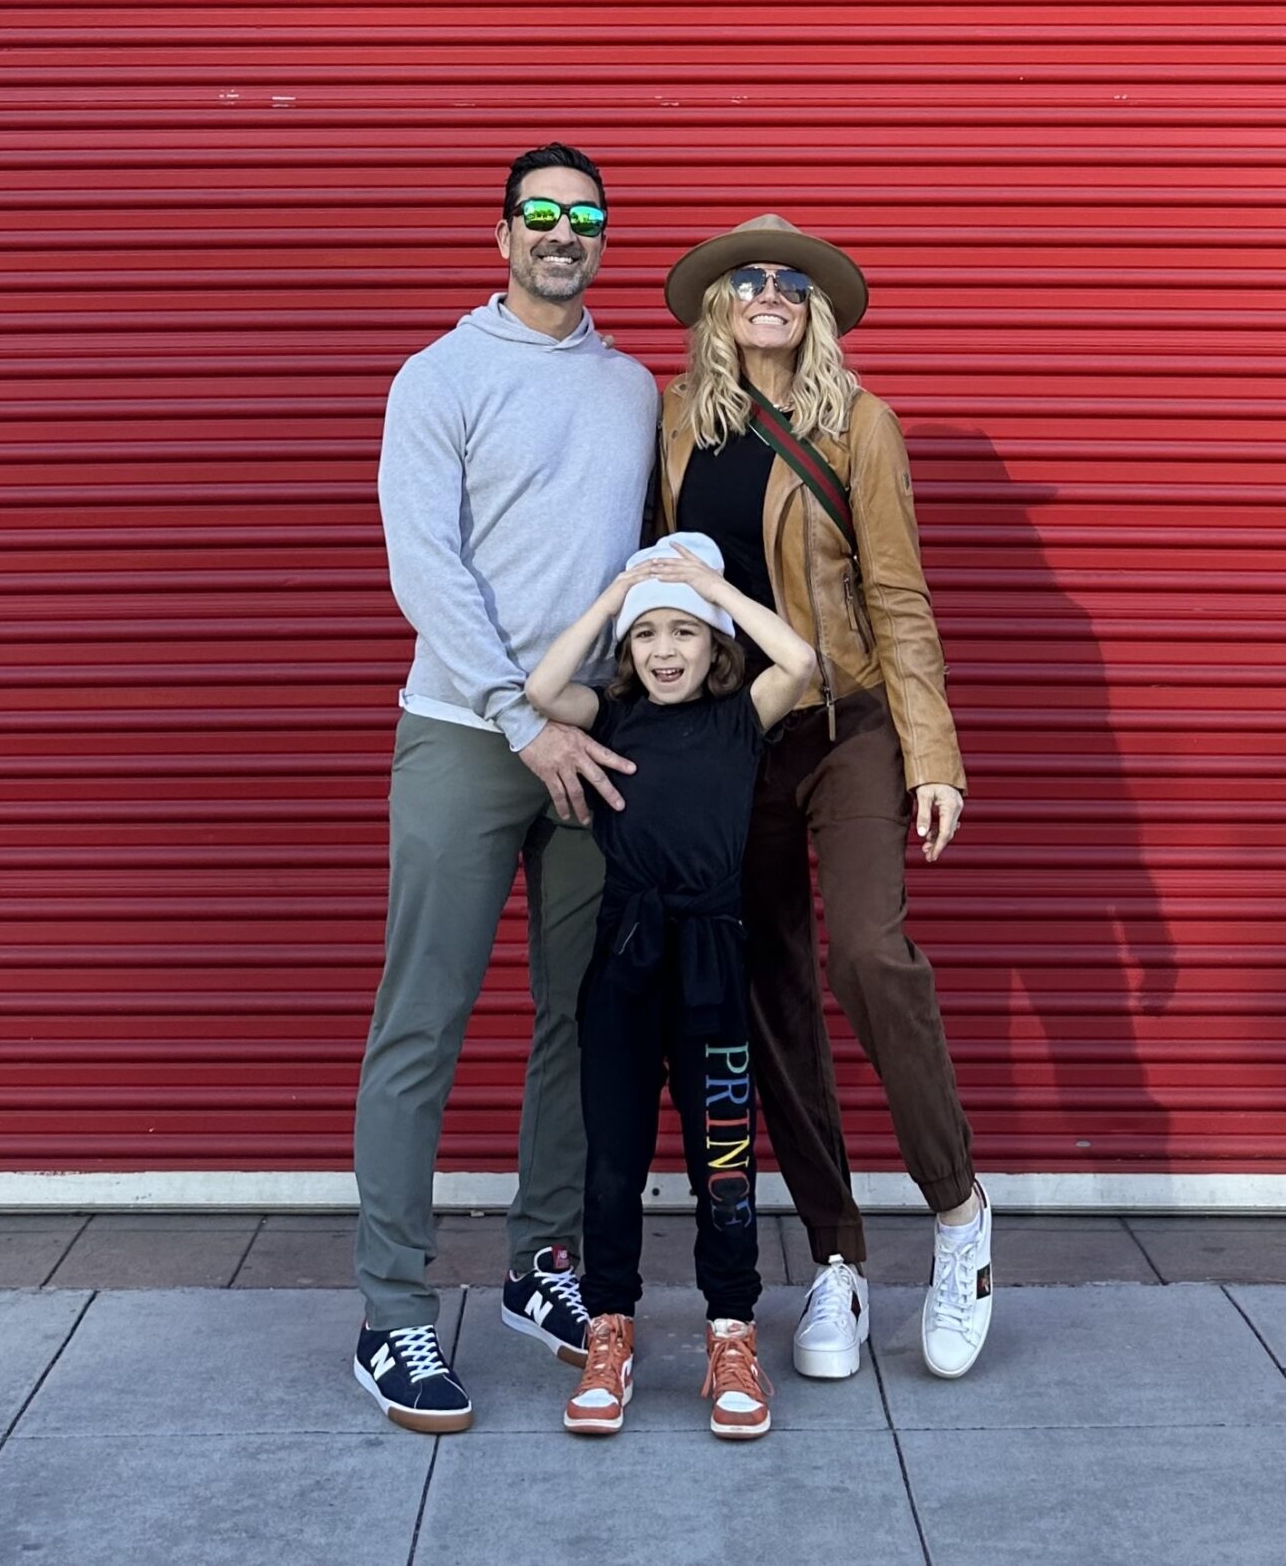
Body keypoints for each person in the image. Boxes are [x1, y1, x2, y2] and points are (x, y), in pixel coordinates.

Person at [351, 144, 659, 1434]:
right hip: (465, 738)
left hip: (591, 744)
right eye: (540, 213)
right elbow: (423, 566)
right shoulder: (440, 377)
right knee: (421, 1022)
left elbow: (655, 558)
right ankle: (391, 1314)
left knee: (578, 1021)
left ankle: (543, 1264)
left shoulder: (637, 385)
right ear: (500, 236)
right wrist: (509, 713)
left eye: (584, 217)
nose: (563, 232)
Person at [655, 213, 992, 1382]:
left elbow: (897, 593)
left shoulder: (862, 424)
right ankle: (837, 1258)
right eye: (745, 279)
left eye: (788, 281)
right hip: (733, 739)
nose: (766, 292)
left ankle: (957, 1217)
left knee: (866, 956)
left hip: (846, 728)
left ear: (816, 311)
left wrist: (931, 750)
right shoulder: (673, 424)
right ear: (717, 307)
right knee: (770, 993)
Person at [521, 534, 815, 1440]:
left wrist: (701, 581)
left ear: (716, 643)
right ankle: (611, 1331)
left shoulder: (739, 719)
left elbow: (800, 658)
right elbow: (539, 690)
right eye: (648, 635)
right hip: (624, 960)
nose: (664, 650)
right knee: (612, 1163)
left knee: (723, 1161)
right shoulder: (610, 716)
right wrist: (617, 595)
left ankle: (731, 1332)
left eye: (684, 631)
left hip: (714, 962)